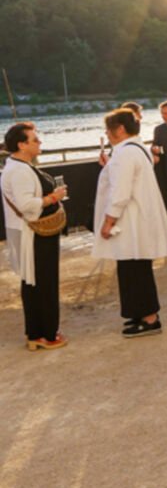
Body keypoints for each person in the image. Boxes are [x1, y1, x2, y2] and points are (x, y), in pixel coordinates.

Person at [92, 108, 167, 338]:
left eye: (108, 129)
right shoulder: (136, 149)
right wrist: (110, 165)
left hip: (131, 221)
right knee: (132, 268)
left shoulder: (126, 153)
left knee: (135, 269)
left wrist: (108, 221)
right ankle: (139, 313)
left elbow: (120, 192)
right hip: (136, 219)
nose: (106, 134)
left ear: (120, 129)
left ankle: (149, 318)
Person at [2, 122, 68, 351]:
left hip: (30, 235)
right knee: (44, 283)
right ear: (21, 145)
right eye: (35, 139)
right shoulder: (19, 171)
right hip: (35, 236)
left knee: (34, 283)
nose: (40, 142)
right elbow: (27, 204)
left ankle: (36, 333)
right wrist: (54, 197)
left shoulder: (17, 166)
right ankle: (48, 334)